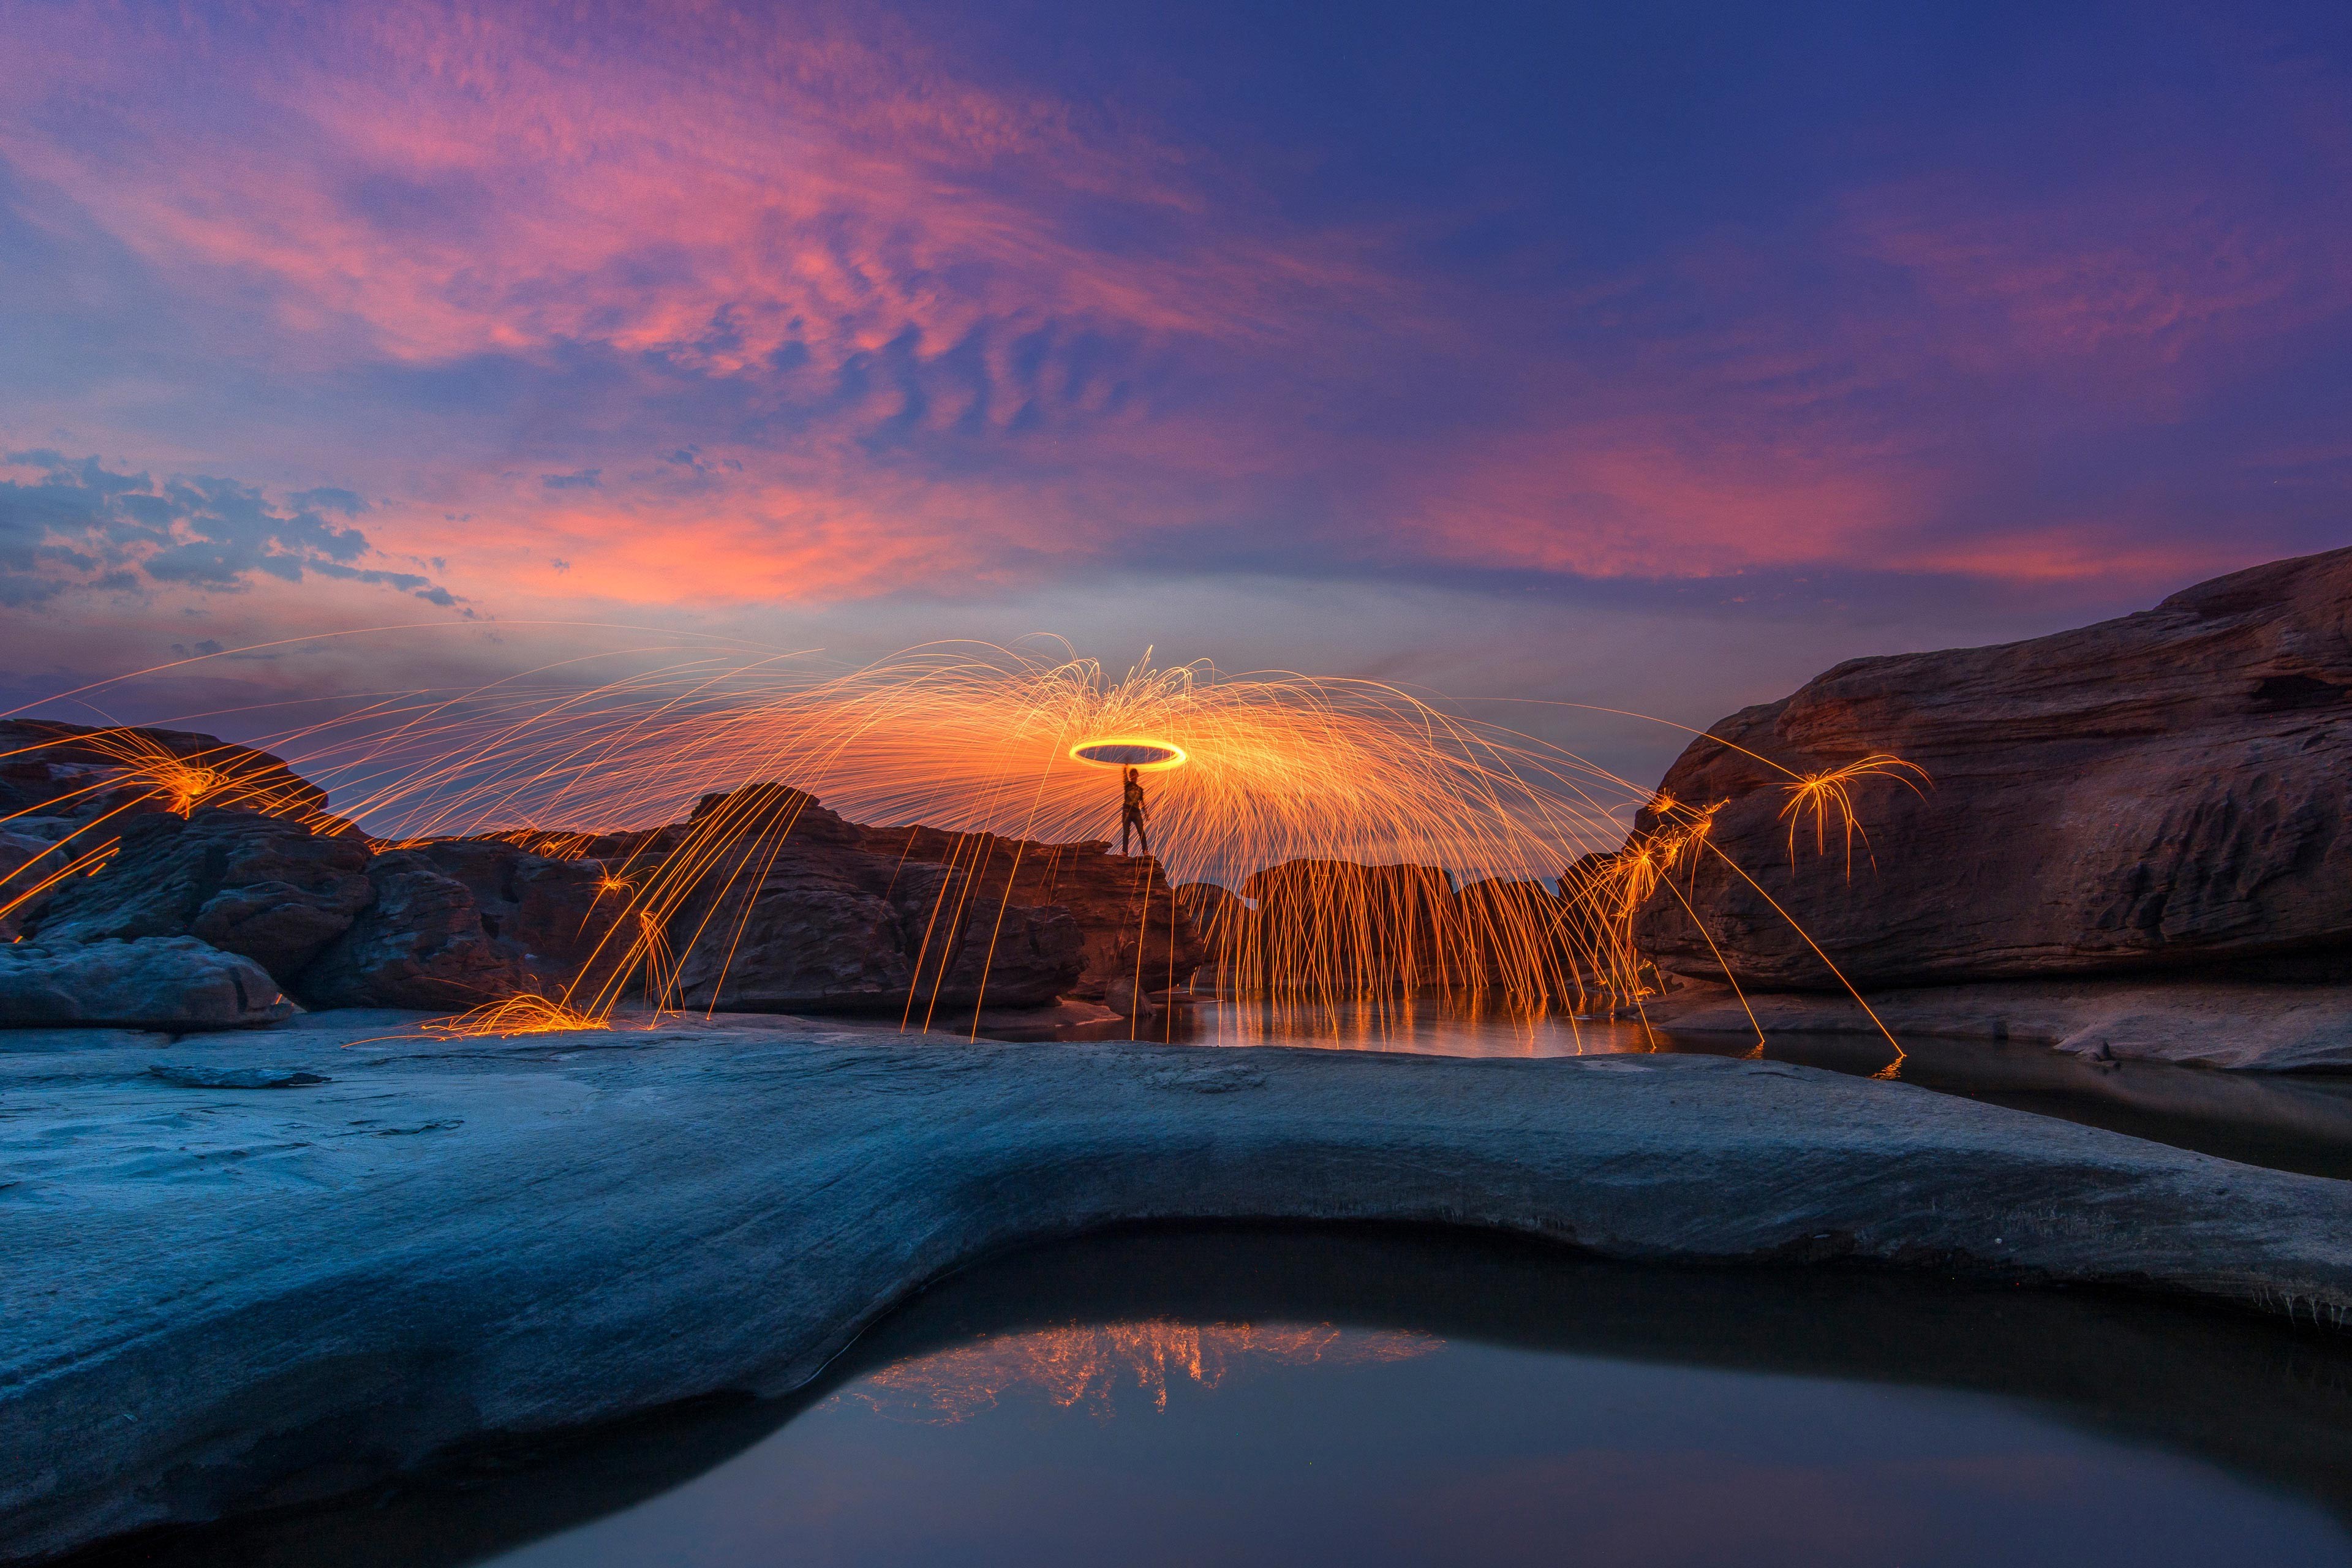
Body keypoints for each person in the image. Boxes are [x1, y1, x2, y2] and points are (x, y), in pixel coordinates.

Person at [1120, 765, 1152, 856]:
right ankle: (1125, 852)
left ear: (1137, 775)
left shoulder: (1140, 790)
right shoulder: (1127, 785)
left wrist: (1146, 813)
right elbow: (1124, 777)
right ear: (1130, 776)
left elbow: (1142, 802)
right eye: (1132, 775)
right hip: (1127, 811)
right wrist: (1125, 769)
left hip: (1136, 812)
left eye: (1135, 774)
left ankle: (1145, 851)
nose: (1133, 776)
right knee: (1126, 832)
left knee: (1141, 831)